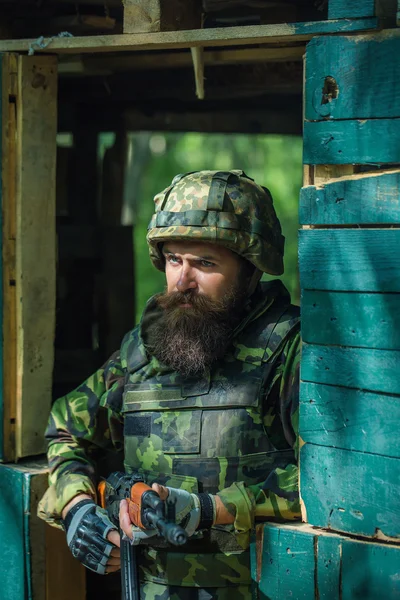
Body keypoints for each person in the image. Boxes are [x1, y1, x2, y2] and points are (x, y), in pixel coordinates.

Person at [38, 170, 301, 599]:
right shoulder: (140, 353)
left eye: (205, 263)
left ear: (251, 271)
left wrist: (209, 510)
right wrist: (77, 508)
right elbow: (66, 429)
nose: (183, 281)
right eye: (175, 259)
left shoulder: (290, 352)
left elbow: (331, 484)